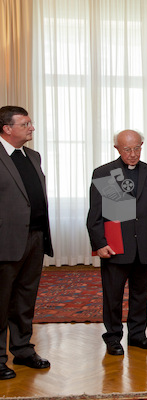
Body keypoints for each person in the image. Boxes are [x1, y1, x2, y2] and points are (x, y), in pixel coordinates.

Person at [87, 129, 147, 356]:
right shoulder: (103, 173)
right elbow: (95, 214)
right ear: (117, 149)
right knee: (113, 295)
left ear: (142, 145)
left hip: (144, 245)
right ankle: (112, 338)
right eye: (127, 149)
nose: (133, 154)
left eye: (137, 148)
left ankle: (138, 335)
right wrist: (99, 243)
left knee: (141, 294)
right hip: (115, 246)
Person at [0, 106, 53, 380]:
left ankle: (22, 350)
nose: (31, 128)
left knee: (25, 299)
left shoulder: (33, 156)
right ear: (7, 128)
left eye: (30, 123)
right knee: (1, 301)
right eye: (25, 124)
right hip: (5, 241)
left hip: (35, 238)